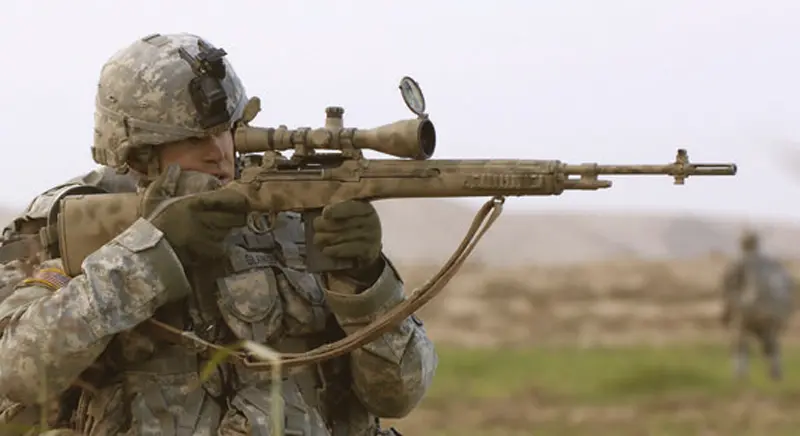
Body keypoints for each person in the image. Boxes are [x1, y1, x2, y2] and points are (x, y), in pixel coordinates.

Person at [0, 32, 437, 435]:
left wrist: (366, 284)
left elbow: (399, 393)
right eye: (196, 140)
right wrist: (150, 255)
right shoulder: (73, 227)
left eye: (228, 131)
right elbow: (16, 370)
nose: (220, 153)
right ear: (139, 155)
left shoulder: (296, 219)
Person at [720, 229, 794, 381]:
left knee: (739, 339)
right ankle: (775, 370)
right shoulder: (770, 263)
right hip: (772, 310)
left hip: (748, 309)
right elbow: (788, 285)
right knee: (770, 339)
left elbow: (729, 288)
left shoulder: (739, 262)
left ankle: (740, 374)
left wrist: (728, 310)